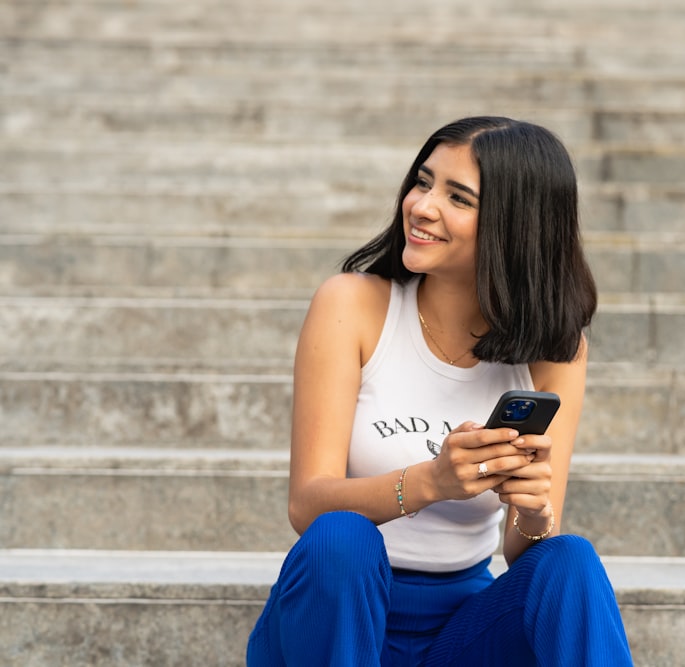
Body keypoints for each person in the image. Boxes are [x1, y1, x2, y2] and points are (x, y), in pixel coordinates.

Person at [246, 116, 633, 666]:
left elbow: (521, 551)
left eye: (458, 197)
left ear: (514, 225)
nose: (422, 206)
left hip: (461, 636)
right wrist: (433, 481)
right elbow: (307, 504)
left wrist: (533, 510)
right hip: (337, 620)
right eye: (423, 182)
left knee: (568, 560)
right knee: (340, 539)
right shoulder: (352, 306)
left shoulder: (553, 350)